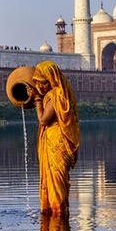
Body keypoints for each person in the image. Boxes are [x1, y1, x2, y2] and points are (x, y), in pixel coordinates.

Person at [31, 61, 81, 218]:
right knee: (58, 181)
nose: (40, 88)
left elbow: (44, 120)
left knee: (56, 182)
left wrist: (38, 101)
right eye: (38, 84)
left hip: (56, 143)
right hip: (58, 141)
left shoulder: (56, 95)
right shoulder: (64, 92)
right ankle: (59, 214)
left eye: (43, 83)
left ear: (51, 79)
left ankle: (57, 214)